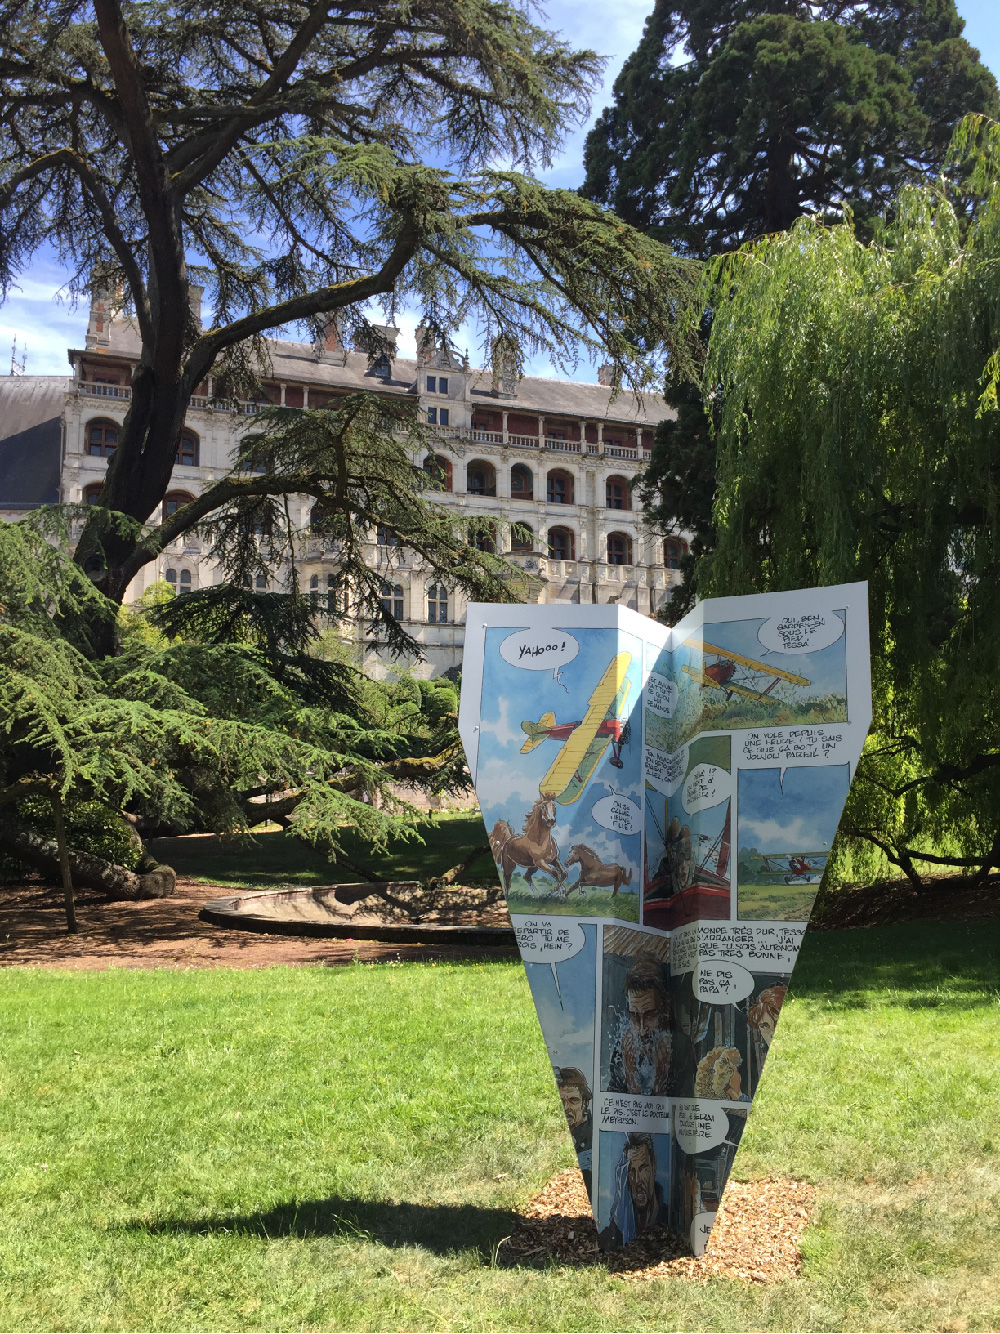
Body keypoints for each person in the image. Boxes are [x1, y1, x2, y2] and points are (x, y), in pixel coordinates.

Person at [607, 956, 671, 1095]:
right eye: (634, 1016)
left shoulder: (681, 1049)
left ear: (665, 1010)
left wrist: (661, 1081)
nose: (642, 1031)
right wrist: (631, 1079)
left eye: (650, 1015)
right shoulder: (623, 1050)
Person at [598, 1132, 667, 1250]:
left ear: (653, 1166)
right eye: (631, 1171)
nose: (637, 1180)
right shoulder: (619, 1223)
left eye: (642, 1169)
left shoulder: (668, 1219)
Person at [554, 1066, 593, 1193]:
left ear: (585, 1102)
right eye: (560, 1101)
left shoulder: (597, 1137)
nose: (566, 1107)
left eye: (573, 1100)